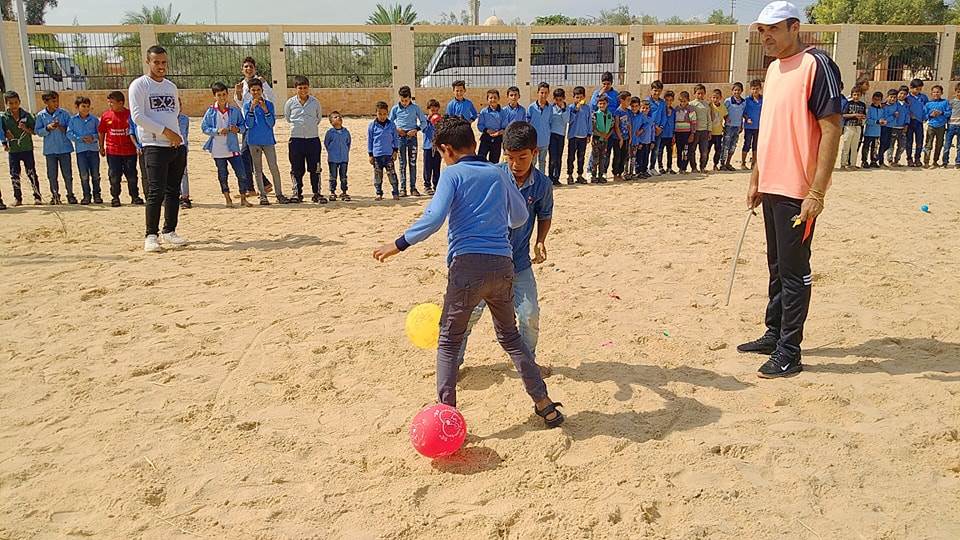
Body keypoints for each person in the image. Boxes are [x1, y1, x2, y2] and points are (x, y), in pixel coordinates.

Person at [372, 116, 563, 428]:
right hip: (502, 266)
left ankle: (447, 417)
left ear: (446, 150)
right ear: (474, 144)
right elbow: (518, 217)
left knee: (448, 340)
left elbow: (434, 219)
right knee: (511, 337)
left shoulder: (452, 174)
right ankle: (545, 405)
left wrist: (398, 244)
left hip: (467, 268)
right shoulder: (498, 173)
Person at [739, 1, 843, 378]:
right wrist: (757, 177)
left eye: (774, 29)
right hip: (772, 184)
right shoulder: (772, 69)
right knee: (777, 266)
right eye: (762, 31)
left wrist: (817, 192)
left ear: (794, 28)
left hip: (799, 189)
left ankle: (790, 351)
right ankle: (774, 333)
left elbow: (832, 128)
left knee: (795, 270)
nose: (766, 37)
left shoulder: (817, 64)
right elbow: (768, 128)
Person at [453, 120, 553, 379]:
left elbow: (544, 214)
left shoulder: (543, 185)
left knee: (529, 315)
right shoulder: (491, 176)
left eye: (522, 157)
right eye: (510, 157)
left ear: (535, 153)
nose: (516, 164)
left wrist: (540, 241)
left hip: (519, 262)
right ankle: (452, 364)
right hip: (485, 263)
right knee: (468, 315)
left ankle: (527, 365)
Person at [129, 44, 187, 253]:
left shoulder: (170, 86)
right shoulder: (139, 85)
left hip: (176, 146)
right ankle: (151, 235)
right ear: (148, 62)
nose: (161, 66)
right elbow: (138, 117)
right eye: (156, 62)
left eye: (164, 62)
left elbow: (175, 112)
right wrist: (165, 132)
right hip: (154, 145)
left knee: (173, 190)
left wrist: (176, 137)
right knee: (155, 192)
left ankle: (169, 230)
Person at [202, 81, 252, 208]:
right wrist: (217, 131)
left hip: (233, 147)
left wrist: (237, 129)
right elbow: (204, 128)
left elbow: (243, 126)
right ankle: (228, 199)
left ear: (227, 94)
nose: (222, 97)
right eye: (219, 95)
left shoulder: (234, 110)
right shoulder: (211, 112)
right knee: (223, 174)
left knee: (241, 173)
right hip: (218, 149)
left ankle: (243, 198)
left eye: (224, 94)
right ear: (214, 96)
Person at [234, 56, 274, 196]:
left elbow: (271, 98)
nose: (248, 69)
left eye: (251, 66)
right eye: (246, 67)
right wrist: (238, 93)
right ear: (242, 69)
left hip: (260, 125)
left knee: (245, 155)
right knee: (248, 156)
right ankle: (262, 184)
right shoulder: (241, 85)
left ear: (255, 69)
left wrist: (265, 84)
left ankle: (251, 188)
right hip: (248, 124)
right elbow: (241, 105)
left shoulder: (261, 83)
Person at [244, 79, 287, 204]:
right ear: (250, 91)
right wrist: (251, 109)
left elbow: (271, 123)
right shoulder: (247, 105)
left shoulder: (269, 104)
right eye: (253, 90)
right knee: (257, 169)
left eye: (258, 90)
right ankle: (262, 195)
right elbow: (248, 124)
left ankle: (279, 194)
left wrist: (265, 110)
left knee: (274, 167)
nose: (256, 92)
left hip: (268, 140)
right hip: (253, 141)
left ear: (262, 90)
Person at [98, 91, 142, 207]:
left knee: (132, 175)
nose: (110, 104)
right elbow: (102, 132)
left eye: (112, 102)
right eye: (109, 102)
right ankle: (115, 197)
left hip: (129, 151)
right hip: (113, 152)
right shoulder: (106, 116)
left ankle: (135, 196)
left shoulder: (130, 115)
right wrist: (101, 146)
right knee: (114, 176)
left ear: (121, 103)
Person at [284, 75, 324, 204]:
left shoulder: (315, 102)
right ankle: (297, 193)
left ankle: (317, 193)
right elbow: (288, 118)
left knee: (315, 168)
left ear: (309, 88)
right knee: (296, 168)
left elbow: (318, 118)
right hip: (296, 140)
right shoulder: (290, 103)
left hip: (312, 139)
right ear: (295, 88)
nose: (303, 90)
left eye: (305, 88)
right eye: (300, 88)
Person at [1, 90, 42, 206]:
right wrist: (5, 141)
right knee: (14, 174)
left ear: (19, 102)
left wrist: (25, 128)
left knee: (31, 172)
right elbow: (1, 132)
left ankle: (37, 196)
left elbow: (34, 131)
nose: (14, 105)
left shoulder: (26, 115)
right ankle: (18, 198)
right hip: (13, 150)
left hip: (27, 148)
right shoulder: (4, 118)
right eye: (11, 103)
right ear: (6, 104)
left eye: (16, 102)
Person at [35, 90, 76, 204]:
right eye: (53, 101)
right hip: (50, 150)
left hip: (64, 149)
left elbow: (71, 129)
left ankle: (70, 194)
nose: (56, 103)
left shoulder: (64, 113)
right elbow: (38, 131)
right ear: (45, 102)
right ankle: (55, 195)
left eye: (57, 100)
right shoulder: (41, 115)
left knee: (67, 174)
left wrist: (60, 127)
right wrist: (47, 128)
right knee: (52, 175)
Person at [389, 85, 427, 197]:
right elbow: (390, 123)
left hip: (412, 138)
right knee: (402, 163)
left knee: (412, 162)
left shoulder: (415, 108)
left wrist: (416, 129)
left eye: (406, 100)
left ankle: (413, 188)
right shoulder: (395, 109)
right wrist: (397, 129)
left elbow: (424, 122)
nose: (404, 103)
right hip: (400, 138)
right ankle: (403, 188)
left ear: (410, 98)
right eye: (402, 100)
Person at [66, 96, 102, 205]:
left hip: (93, 150)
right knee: (84, 175)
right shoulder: (73, 120)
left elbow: (100, 133)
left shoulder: (94, 120)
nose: (86, 108)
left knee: (95, 174)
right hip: (81, 151)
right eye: (83, 106)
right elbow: (69, 133)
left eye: (87, 106)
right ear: (77, 107)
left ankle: (97, 195)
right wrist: (80, 139)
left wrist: (93, 137)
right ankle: (86, 195)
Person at [368, 101, 400, 201]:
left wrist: (395, 151)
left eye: (384, 114)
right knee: (378, 175)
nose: (382, 116)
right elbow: (370, 140)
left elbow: (395, 138)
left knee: (392, 175)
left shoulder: (391, 125)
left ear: (387, 113)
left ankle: (395, 192)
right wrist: (370, 154)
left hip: (389, 155)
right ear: (376, 113)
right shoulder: (372, 126)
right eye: (380, 114)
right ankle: (379, 193)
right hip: (377, 155)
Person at [323, 111, 351, 201]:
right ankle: (332, 192)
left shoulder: (346, 132)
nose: (338, 118)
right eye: (335, 117)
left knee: (343, 176)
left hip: (344, 158)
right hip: (333, 158)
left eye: (339, 117)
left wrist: (345, 152)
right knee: (333, 176)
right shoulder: (330, 133)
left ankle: (344, 192)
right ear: (331, 122)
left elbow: (348, 143)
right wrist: (331, 152)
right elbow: (326, 143)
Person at [566, 86, 591, 184]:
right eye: (577, 97)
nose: (579, 99)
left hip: (583, 136)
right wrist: (575, 110)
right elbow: (569, 120)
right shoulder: (571, 108)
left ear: (584, 97)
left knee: (581, 157)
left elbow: (589, 121)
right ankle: (569, 175)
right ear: (573, 98)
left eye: (581, 97)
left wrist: (589, 134)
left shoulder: (587, 108)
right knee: (571, 157)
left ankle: (580, 175)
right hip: (573, 136)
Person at [922, 84, 951, 168]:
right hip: (931, 126)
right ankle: (926, 162)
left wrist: (941, 112)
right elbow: (924, 116)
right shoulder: (928, 104)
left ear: (941, 93)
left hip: (941, 126)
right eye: (934, 92)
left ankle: (935, 161)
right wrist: (930, 115)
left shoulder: (945, 102)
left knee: (939, 144)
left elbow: (949, 113)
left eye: (938, 92)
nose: (936, 94)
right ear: (931, 93)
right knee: (928, 144)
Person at [839, 87, 866, 169]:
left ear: (861, 95)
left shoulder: (862, 105)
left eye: (858, 95)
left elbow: (864, 115)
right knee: (846, 146)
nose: (856, 96)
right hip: (849, 126)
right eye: (854, 95)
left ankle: (852, 164)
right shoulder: (848, 104)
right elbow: (843, 115)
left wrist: (862, 117)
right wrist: (854, 115)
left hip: (858, 126)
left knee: (855, 147)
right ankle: (843, 164)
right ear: (851, 95)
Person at [688, 84, 713, 174]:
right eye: (698, 93)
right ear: (694, 93)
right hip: (694, 131)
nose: (700, 95)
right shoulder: (691, 104)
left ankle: (702, 167)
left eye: (702, 93)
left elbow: (709, 118)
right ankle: (694, 168)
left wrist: (709, 131)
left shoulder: (706, 105)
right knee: (692, 150)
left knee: (704, 151)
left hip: (704, 131)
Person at [527, 82, 552, 171]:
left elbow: (550, 123)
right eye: (542, 92)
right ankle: (532, 178)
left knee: (542, 162)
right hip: (534, 142)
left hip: (545, 141)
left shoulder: (550, 108)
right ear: (537, 92)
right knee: (532, 162)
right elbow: (528, 124)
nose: (543, 95)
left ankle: (541, 178)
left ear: (548, 93)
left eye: (546, 93)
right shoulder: (531, 108)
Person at [722, 82, 746, 171]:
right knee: (726, 145)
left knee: (733, 146)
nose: (737, 92)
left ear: (742, 91)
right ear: (732, 91)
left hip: (737, 127)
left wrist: (741, 125)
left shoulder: (743, 102)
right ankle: (722, 164)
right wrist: (726, 120)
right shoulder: (728, 101)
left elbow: (742, 114)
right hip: (729, 127)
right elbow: (723, 112)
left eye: (739, 90)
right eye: (735, 90)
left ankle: (728, 163)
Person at [905, 78, 928, 168]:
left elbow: (927, 108)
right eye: (916, 89)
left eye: (920, 89)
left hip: (919, 122)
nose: (918, 91)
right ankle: (909, 159)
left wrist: (925, 117)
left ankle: (917, 158)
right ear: (911, 87)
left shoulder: (923, 97)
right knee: (909, 141)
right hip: (909, 122)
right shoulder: (907, 98)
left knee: (919, 141)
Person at [477, 89, 505, 164]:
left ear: (498, 99)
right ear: (487, 99)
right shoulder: (483, 112)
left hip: (497, 139)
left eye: (495, 97)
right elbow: (480, 125)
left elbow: (504, 125)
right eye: (490, 98)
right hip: (485, 138)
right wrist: (487, 130)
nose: (493, 100)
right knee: (480, 159)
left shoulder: (503, 112)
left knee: (494, 161)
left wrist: (499, 132)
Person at [590, 95, 614, 183]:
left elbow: (612, 126)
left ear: (607, 104)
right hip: (596, 139)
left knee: (603, 158)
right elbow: (593, 128)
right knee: (595, 158)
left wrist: (607, 135)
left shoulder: (609, 115)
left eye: (604, 103)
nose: (602, 105)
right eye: (600, 103)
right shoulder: (595, 115)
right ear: (597, 104)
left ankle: (600, 175)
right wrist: (601, 134)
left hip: (605, 139)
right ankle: (593, 176)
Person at [547, 88, 569, 186]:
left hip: (561, 135)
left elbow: (566, 120)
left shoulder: (567, 108)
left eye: (560, 99)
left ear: (564, 98)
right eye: (557, 99)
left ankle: (557, 177)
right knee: (552, 157)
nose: (558, 101)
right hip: (552, 135)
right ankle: (550, 176)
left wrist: (563, 109)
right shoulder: (550, 108)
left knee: (559, 157)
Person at [673, 91, 697, 173]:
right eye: (681, 101)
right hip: (678, 133)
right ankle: (680, 167)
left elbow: (693, 122)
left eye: (684, 101)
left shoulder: (691, 109)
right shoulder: (676, 109)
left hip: (687, 133)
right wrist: (673, 134)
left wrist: (692, 134)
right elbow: (674, 121)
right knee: (679, 151)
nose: (683, 103)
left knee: (686, 151)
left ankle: (684, 167)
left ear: (688, 100)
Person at [646, 80, 666, 177]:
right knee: (646, 149)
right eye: (655, 90)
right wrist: (654, 126)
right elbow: (645, 115)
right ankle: (644, 168)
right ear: (651, 90)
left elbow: (664, 116)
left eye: (659, 91)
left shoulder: (662, 103)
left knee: (656, 149)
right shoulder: (647, 102)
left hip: (658, 131)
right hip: (648, 130)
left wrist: (661, 127)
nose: (657, 93)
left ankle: (652, 167)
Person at [742, 79, 763, 170]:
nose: (755, 91)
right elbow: (743, 112)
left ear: (760, 89)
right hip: (749, 127)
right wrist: (747, 118)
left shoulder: (763, 100)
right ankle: (743, 163)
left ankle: (754, 163)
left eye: (757, 89)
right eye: (753, 89)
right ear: (750, 89)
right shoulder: (747, 100)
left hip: (759, 127)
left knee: (756, 145)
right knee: (747, 144)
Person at [611, 91, 632, 181]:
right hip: (617, 139)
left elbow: (629, 124)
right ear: (622, 100)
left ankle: (620, 173)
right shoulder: (617, 112)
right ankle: (615, 174)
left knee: (624, 156)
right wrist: (620, 138)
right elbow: (616, 126)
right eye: (628, 100)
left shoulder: (628, 111)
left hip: (626, 137)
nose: (629, 102)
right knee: (617, 156)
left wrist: (630, 136)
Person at [423, 99, 442, 195]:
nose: (434, 112)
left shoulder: (440, 120)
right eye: (432, 110)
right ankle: (427, 185)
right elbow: (423, 129)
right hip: (428, 147)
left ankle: (436, 185)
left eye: (436, 110)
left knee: (436, 167)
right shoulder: (425, 121)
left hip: (437, 148)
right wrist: (428, 120)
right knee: (427, 167)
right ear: (428, 110)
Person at [862, 91, 884, 168]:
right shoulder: (869, 109)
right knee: (866, 147)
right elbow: (867, 120)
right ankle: (864, 161)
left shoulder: (882, 110)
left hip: (877, 132)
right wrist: (876, 121)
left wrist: (883, 121)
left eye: (878, 99)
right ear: (872, 99)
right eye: (875, 99)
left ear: (881, 100)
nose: (876, 101)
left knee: (875, 147)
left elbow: (883, 118)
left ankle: (873, 161)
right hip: (869, 132)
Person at [635, 99, 656, 179]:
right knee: (639, 158)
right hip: (640, 142)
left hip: (648, 142)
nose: (645, 110)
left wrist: (652, 141)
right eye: (643, 108)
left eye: (647, 108)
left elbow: (652, 131)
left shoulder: (650, 119)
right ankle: (638, 172)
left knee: (646, 158)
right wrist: (638, 142)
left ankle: (644, 171)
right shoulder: (638, 118)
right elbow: (637, 131)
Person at [176, 101, 191, 209]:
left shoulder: (185, 119)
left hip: (182, 148)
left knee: (183, 173)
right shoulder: (166, 119)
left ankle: (185, 197)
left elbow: (185, 134)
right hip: (169, 147)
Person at [659, 91, 677, 174]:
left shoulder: (674, 111)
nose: (668, 102)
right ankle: (660, 167)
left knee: (669, 152)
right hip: (662, 135)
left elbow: (674, 123)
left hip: (670, 135)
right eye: (667, 100)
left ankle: (669, 168)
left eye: (670, 100)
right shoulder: (662, 110)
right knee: (660, 152)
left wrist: (674, 135)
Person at [709, 89, 727, 171]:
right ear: (711, 98)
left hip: (718, 133)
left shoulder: (723, 107)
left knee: (718, 150)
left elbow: (726, 116)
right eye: (713, 97)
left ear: (720, 98)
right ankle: (703, 165)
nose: (715, 99)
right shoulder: (709, 106)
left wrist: (725, 126)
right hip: (709, 133)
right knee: (707, 150)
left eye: (717, 98)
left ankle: (715, 164)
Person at [626, 96, 643, 179]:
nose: (634, 108)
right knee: (627, 157)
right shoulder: (628, 114)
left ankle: (631, 172)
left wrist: (641, 130)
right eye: (632, 106)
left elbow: (646, 124)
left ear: (639, 106)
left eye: (636, 106)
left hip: (636, 140)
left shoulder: (641, 115)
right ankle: (626, 173)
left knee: (633, 157)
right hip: (628, 140)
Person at [943, 83, 960, 168]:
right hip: (951, 126)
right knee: (947, 145)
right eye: (958, 91)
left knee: (959, 146)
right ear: (955, 92)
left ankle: (958, 162)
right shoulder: (951, 102)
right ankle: (945, 161)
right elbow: (947, 113)